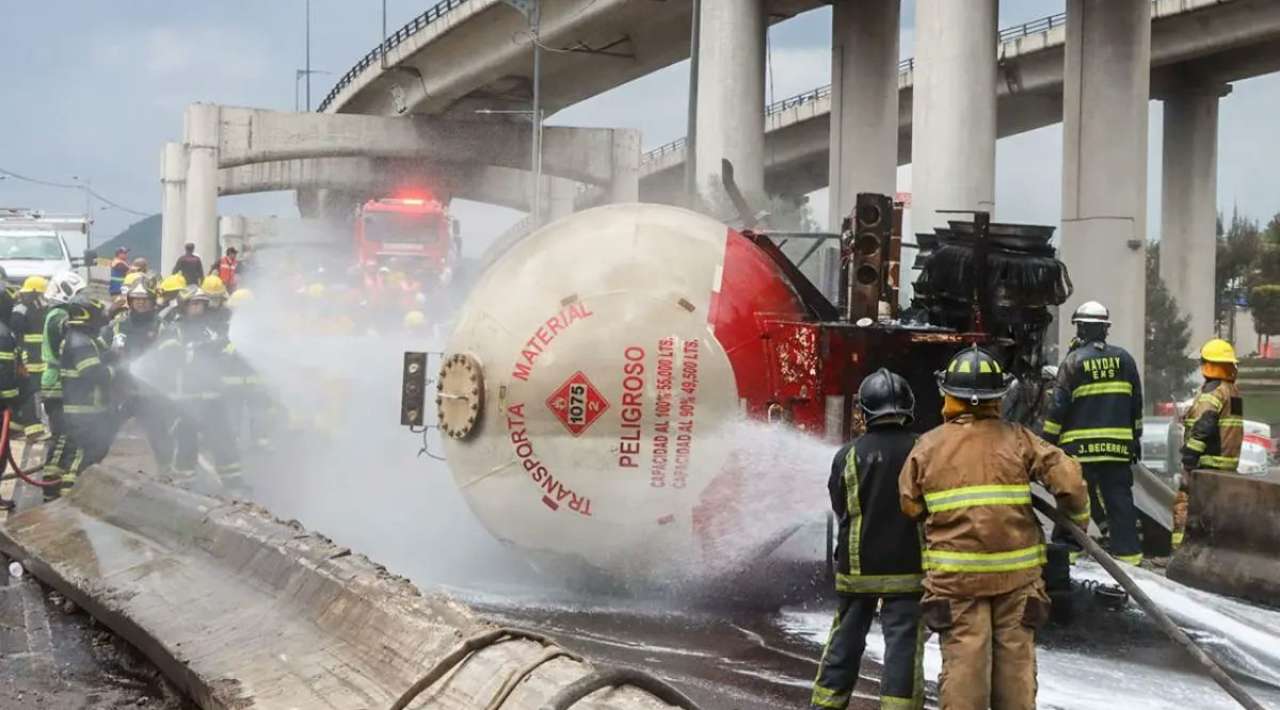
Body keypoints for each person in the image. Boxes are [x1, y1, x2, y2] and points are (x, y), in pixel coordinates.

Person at [900, 345, 1089, 710]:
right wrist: (1076, 519)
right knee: (1015, 671)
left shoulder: (927, 447)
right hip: (1016, 580)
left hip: (956, 581)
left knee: (964, 672)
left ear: (948, 395)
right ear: (997, 397)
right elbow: (1070, 481)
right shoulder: (1018, 439)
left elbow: (909, 505)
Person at [811, 368, 925, 710]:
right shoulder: (923, 450)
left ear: (866, 411)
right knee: (903, 644)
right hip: (909, 569)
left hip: (857, 568)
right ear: (907, 407)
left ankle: (827, 704)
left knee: (845, 640)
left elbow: (839, 505)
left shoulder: (847, 455)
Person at [1040, 301, 1145, 565]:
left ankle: (1068, 554)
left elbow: (1058, 409)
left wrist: (1046, 444)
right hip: (1119, 448)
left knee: (1073, 498)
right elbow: (1136, 405)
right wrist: (1135, 440)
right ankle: (1130, 557)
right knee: (1120, 500)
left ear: (1082, 328)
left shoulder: (1073, 362)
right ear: (1105, 329)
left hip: (1080, 450)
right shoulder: (1125, 360)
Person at [154, 289, 244, 491]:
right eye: (193, 304)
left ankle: (234, 484)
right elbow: (170, 355)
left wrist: (225, 353)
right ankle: (184, 486)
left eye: (201, 304)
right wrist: (198, 351)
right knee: (186, 444)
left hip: (213, 397)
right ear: (184, 306)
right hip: (185, 398)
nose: (198, 308)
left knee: (223, 440)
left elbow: (228, 352)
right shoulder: (174, 329)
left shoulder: (211, 329)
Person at [1173, 338, 1243, 549]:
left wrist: (1188, 461)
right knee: (1217, 514)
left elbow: (1203, 428)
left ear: (1207, 364)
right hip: (1227, 465)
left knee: (1184, 506)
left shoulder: (1212, 391)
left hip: (1206, 465)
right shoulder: (1232, 391)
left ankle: (1180, 553)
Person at [105, 277, 172, 471]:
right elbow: (101, 349)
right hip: (121, 390)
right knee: (105, 431)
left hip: (149, 393)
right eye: (136, 298)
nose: (140, 302)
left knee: (159, 434)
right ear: (130, 300)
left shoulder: (160, 326)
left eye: (144, 299)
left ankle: (167, 473)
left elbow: (170, 355)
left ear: (152, 301)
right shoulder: (118, 325)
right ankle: (92, 473)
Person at [49, 295, 113, 496]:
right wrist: (115, 371)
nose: (103, 316)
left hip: (82, 407)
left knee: (79, 453)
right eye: (99, 313)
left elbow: (97, 356)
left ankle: (58, 494)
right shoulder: (80, 342)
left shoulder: (81, 338)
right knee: (81, 456)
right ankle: (71, 499)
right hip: (83, 408)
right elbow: (93, 374)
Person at [40, 271, 88, 498]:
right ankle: (50, 487)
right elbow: (70, 336)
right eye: (78, 294)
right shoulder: (59, 316)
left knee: (69, 436)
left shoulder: (58, 313)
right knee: (61, 437)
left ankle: (61, 487)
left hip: (61, 382)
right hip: (56, 384)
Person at [10, 276, 48, 441]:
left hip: (39, 357)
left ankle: (16, 425)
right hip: (28, 357)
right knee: (31, 392)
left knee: (34, 391)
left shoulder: (41, 308)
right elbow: (16, 333)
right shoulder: (21, 309)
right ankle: (33, 430)